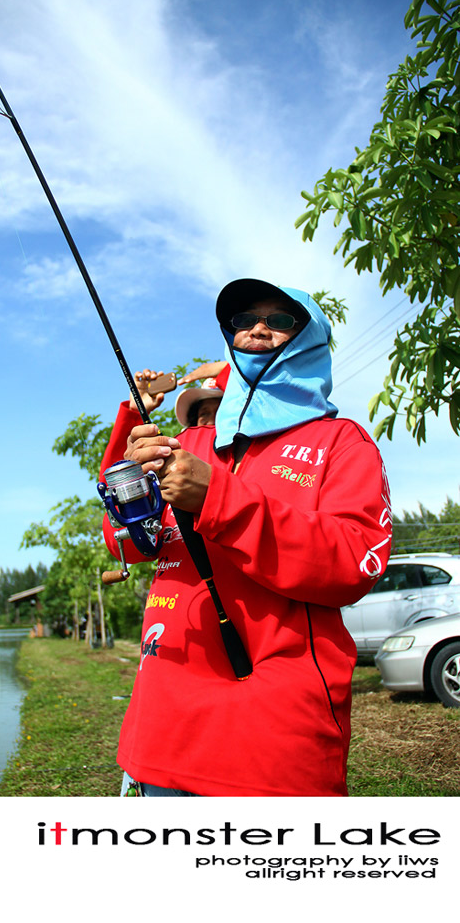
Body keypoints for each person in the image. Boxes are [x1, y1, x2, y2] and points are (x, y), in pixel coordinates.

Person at [100, 278, 392, 797]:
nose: (257, 328)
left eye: (279, 321)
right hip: (159, 738)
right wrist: (128, 446)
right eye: (243, 320)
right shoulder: (189, 443)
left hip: (274, 746)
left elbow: (354, 562)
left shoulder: (341, 443)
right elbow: (126, 539)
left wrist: (219, 499)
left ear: (308, 340)